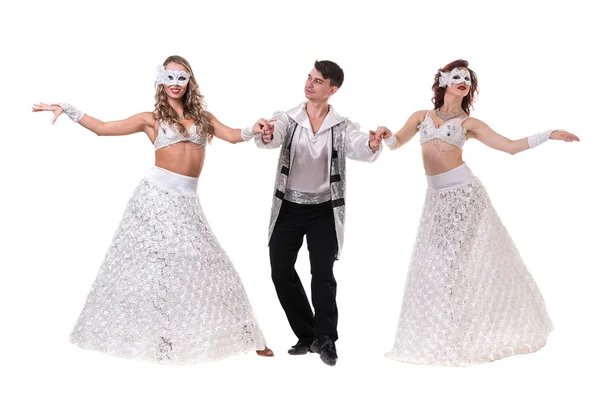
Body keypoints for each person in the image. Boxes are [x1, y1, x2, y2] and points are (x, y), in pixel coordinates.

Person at [32, 55, 274, 364]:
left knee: (214, 264)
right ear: (162, 81)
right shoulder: (152, 118)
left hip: (187, 201)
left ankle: (250, 337)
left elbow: (231, 135)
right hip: (155, 198)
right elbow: (104, 128)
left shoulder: (203, 117)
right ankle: (161, 341)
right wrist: (67, 108)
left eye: (181, 78)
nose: (175, 84)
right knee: (154, 269)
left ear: (190, 82)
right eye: (169, 77)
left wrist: (253, 128)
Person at [379, 59, 579, 366]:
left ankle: (460, 337)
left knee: (457, 265)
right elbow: (396, 143)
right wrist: (384, 134)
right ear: (444, 81)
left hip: (464, 196)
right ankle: (448, 333)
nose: (463, 82)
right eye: (457, 77)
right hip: (436, 199)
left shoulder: (469, 124)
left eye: (468, 80)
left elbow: (510, 146)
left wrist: (549, 134)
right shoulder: (421, 117)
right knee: (440, 265)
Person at [246, 60, 384, 366]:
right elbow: (273, 136)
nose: (310, 84)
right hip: (289, 208)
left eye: (318, 81)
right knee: (280, 272)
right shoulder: (288, 118)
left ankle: (325, 339)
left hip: (323, 209)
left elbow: (360, 145)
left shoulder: (342, 126)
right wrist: (267, 133)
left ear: (332, 90)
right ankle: (307, 334)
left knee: (322, 275)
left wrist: (373, 143)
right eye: (309, 78)